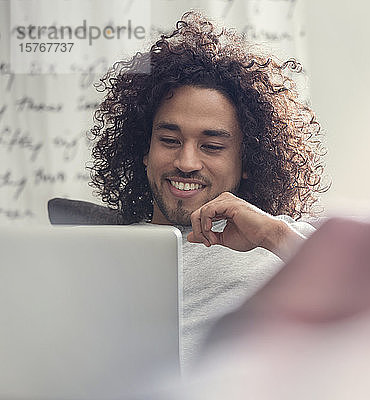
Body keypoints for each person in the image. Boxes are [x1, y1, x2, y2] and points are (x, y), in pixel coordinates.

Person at [87, 11, 328, 371]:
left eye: (212, 146)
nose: (186, 161)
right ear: (144, 150)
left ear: (247, 161)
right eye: (169, 140)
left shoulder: (285, 242)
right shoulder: (92, 256)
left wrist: (273, 234)